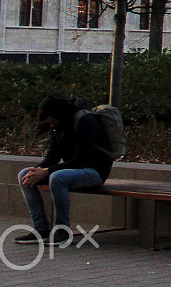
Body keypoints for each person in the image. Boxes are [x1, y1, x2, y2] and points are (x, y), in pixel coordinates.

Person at [16, 96, 113, 244]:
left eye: (52, 120)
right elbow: (52, 156)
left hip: (95, 171)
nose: (51, 124)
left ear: (59, 114)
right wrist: (37, 171)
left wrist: (47, 172)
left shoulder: (85, 121)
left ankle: (62, 230)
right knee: (24, 175)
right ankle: (41, 229)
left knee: (57, 178)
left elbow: (82, 159)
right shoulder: (58, 126)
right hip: (73, 169)